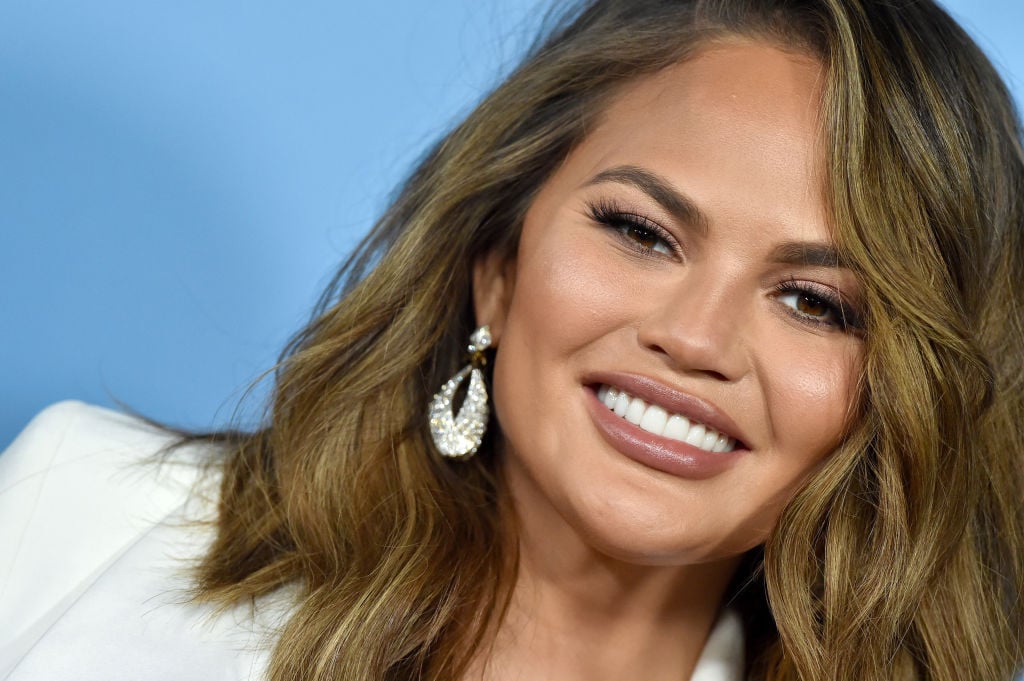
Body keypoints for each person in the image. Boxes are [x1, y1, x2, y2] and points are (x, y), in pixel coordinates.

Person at [2, 0, 1023, 679]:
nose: (694, 338)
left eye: (814, 302)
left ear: (897, 398)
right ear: (496, 262)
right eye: (640, 232)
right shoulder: (89, 512)